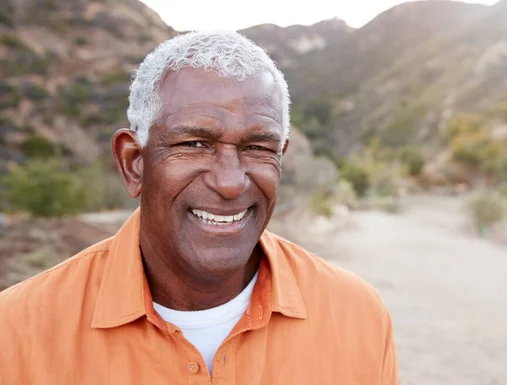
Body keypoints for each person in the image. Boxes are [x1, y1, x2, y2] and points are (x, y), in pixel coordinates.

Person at [0, 31, 398, 384]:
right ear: (134, 163)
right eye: (194, 144)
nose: (230, 182)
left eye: (257, 148)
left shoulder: (357, 316)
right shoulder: (17, 333)